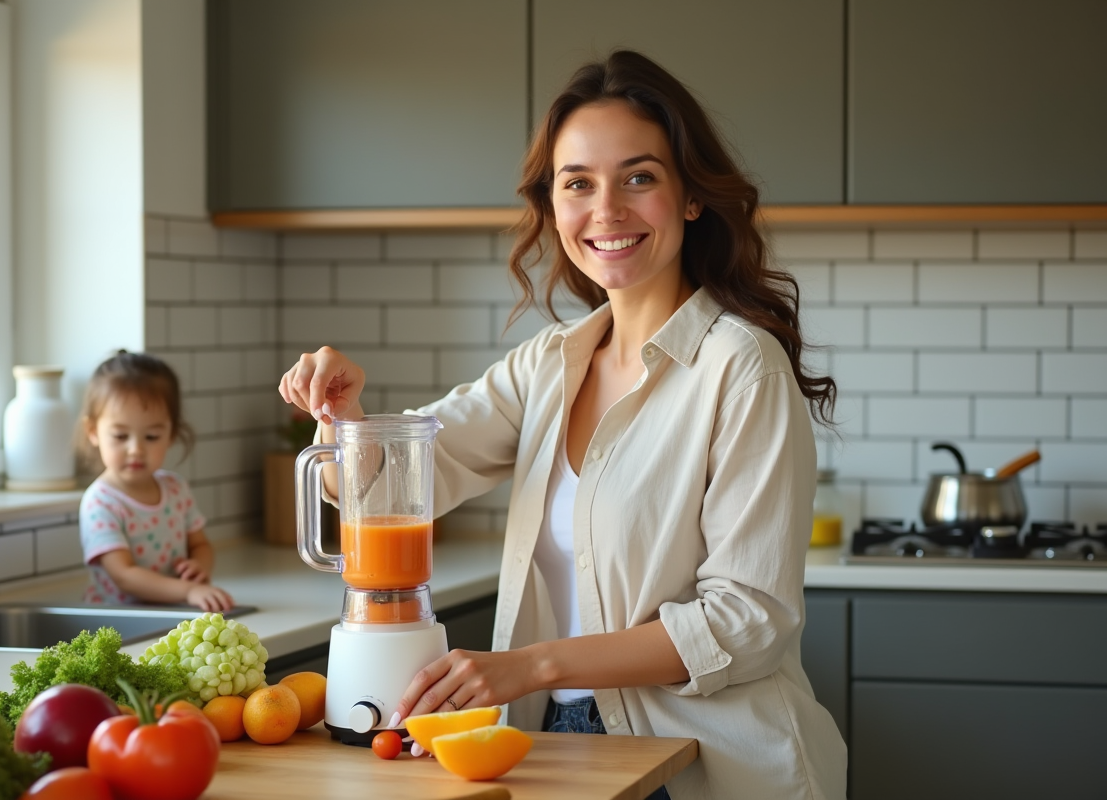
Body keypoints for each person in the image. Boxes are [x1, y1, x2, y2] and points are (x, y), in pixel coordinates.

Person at [279, 50, 845, 800]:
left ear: (689, 198)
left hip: (703, 761)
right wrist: (345, 416)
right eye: (578, 183)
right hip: (556, 743)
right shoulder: (550, 364)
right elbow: (401, 484)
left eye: (638, 178)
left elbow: (747, 621)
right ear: (553, 205)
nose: (606, 210)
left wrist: (533, 666)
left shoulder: (741, 367)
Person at [78, 351, 233, 612]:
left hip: (173, 610)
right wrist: (188, 590)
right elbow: (124, 575)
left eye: (151, 436)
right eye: (120, 436)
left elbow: (200, 545)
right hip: (118, 619)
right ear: (93, 431)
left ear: (171, 434)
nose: (136, 450)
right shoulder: (100, 502)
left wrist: (199, 567)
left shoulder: (175, 488)